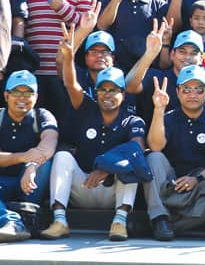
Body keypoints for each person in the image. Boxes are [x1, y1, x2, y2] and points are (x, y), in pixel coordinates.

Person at [42, 31, 147, 242]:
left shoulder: (132, 121)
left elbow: (137, 148)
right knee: (62, 156)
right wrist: (69, 57)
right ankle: (59, 221)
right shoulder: (87, 108)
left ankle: (120, 222)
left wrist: (107, 168)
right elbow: (71, 85)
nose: (107, 94)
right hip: (83, 187)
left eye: (113, 90)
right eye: (103, 89)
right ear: (96, 92)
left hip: (112, 192)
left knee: (133, 162)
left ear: (123, 94)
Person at [0, 71, 57, 243]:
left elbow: (49, 143)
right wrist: (24, 157)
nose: (22, 97)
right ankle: (12, 223)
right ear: (6, 95)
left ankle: (28, 215)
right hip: (1, 182)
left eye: (28, 93)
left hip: (32, 183)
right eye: (16, 92)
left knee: (47, 163)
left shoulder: (42, 115)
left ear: (36, 97)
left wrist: (31, 165)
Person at [144, 65, 205, 241]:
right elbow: (155, 146)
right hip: (172, 183)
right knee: (154, 157)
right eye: (187, 89)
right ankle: (160, 217)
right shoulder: (169, 117)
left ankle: (163, 225)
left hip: (200, 183)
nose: (192, 94)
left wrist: (197, 179)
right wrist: (158, 109)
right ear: (178, 92)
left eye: (198, 90)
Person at [20, 0, 92, 120]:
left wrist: (63, 8)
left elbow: (85, 25)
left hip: (65, 74)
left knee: (65, 124)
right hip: (33, 73)